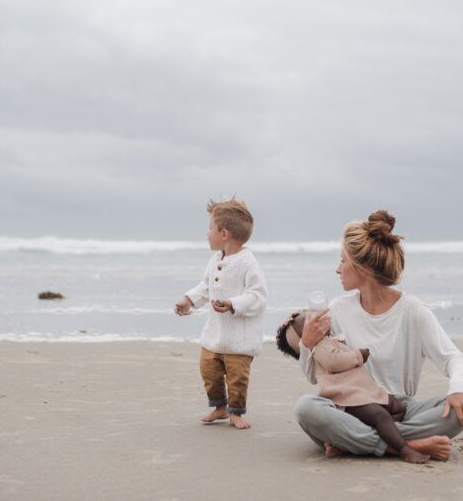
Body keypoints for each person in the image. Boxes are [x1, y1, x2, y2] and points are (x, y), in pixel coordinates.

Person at [294, 210, 463, 460]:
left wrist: (459, 387)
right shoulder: (337, 309)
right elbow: (314, 378)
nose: (337, 269)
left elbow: (453, 358)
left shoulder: (413, 311)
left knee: (461, 411)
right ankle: (407, 444)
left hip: (400, 408)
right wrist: (308, 343)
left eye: (342, 260)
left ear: (363, 268)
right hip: (351, 407)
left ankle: (358, 444)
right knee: (307, 408)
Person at [276, 311, 431, 463]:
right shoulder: (319, 348)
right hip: (349, 397)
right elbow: (334, 361)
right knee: (380, 416)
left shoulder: (332, 341)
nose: (318, 321)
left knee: (399, 408)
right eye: (309, 324)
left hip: (367, 392)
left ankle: (367, 437)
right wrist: (359, 355)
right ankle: (403, 448)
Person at [174, 197, 268, 429]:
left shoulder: (248, 263)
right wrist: (189, 300)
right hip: (214, 334)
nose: (207, 233)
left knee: (237, 377)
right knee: (209, 370)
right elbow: (206, 287)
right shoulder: (215, 259)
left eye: (210, 228)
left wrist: (233, 303)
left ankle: (236, 411)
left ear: (224, 233)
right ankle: (219, 407)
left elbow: (258, 296)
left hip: (240, 338)